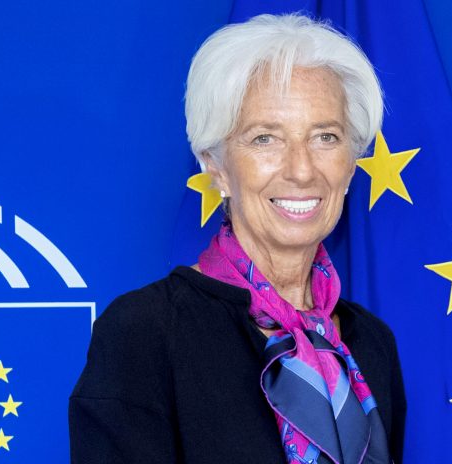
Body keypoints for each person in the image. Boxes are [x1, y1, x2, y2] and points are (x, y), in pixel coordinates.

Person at [69, 13, 406, 464]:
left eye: (326, 137)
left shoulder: (371, 343)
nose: (301, 169)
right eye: (265, 139)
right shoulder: (145, 333)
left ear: (350, 164)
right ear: (216, 166)